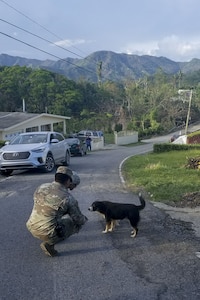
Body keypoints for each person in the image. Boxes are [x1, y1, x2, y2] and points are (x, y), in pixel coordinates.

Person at [26, 166, 87, 257]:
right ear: (68, 181)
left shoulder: (41, 187)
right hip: (46, 232)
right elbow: (79, 219)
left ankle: (52, 235)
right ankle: (50, 243)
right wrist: (85, 219)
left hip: (31, 226)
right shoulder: (68, 198)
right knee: (75, 223)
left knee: (54, 214)